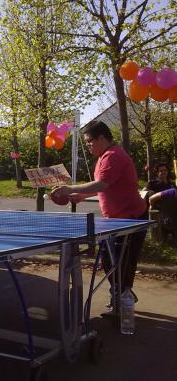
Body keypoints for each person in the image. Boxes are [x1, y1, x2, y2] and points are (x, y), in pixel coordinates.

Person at [52, 120, 147, 313]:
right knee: (110, 261)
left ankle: (123, 300)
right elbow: (106, 186)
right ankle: (121, 295)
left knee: (121, 263)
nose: (88, 145)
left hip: (131, 219)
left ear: (102, 138)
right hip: (116, 220)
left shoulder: (113, 156)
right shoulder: (105, 156)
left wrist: (70, 188)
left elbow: (102, 183)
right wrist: (83, 196)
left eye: (89, 141)